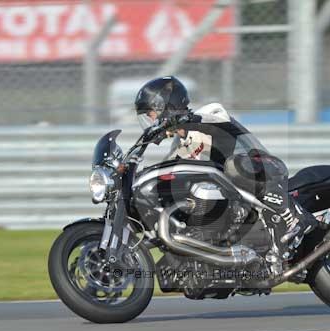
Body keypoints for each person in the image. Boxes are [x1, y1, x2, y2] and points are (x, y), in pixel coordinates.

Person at [134, 76, 317, 245]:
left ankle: (296, 216)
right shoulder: (179, 146)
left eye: (151, 114)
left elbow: (213, 121)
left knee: (233, 166)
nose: (150, 121)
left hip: (265, 170)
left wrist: (187, 119)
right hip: (234, 202)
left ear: (166, 107)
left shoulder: (209, 113)